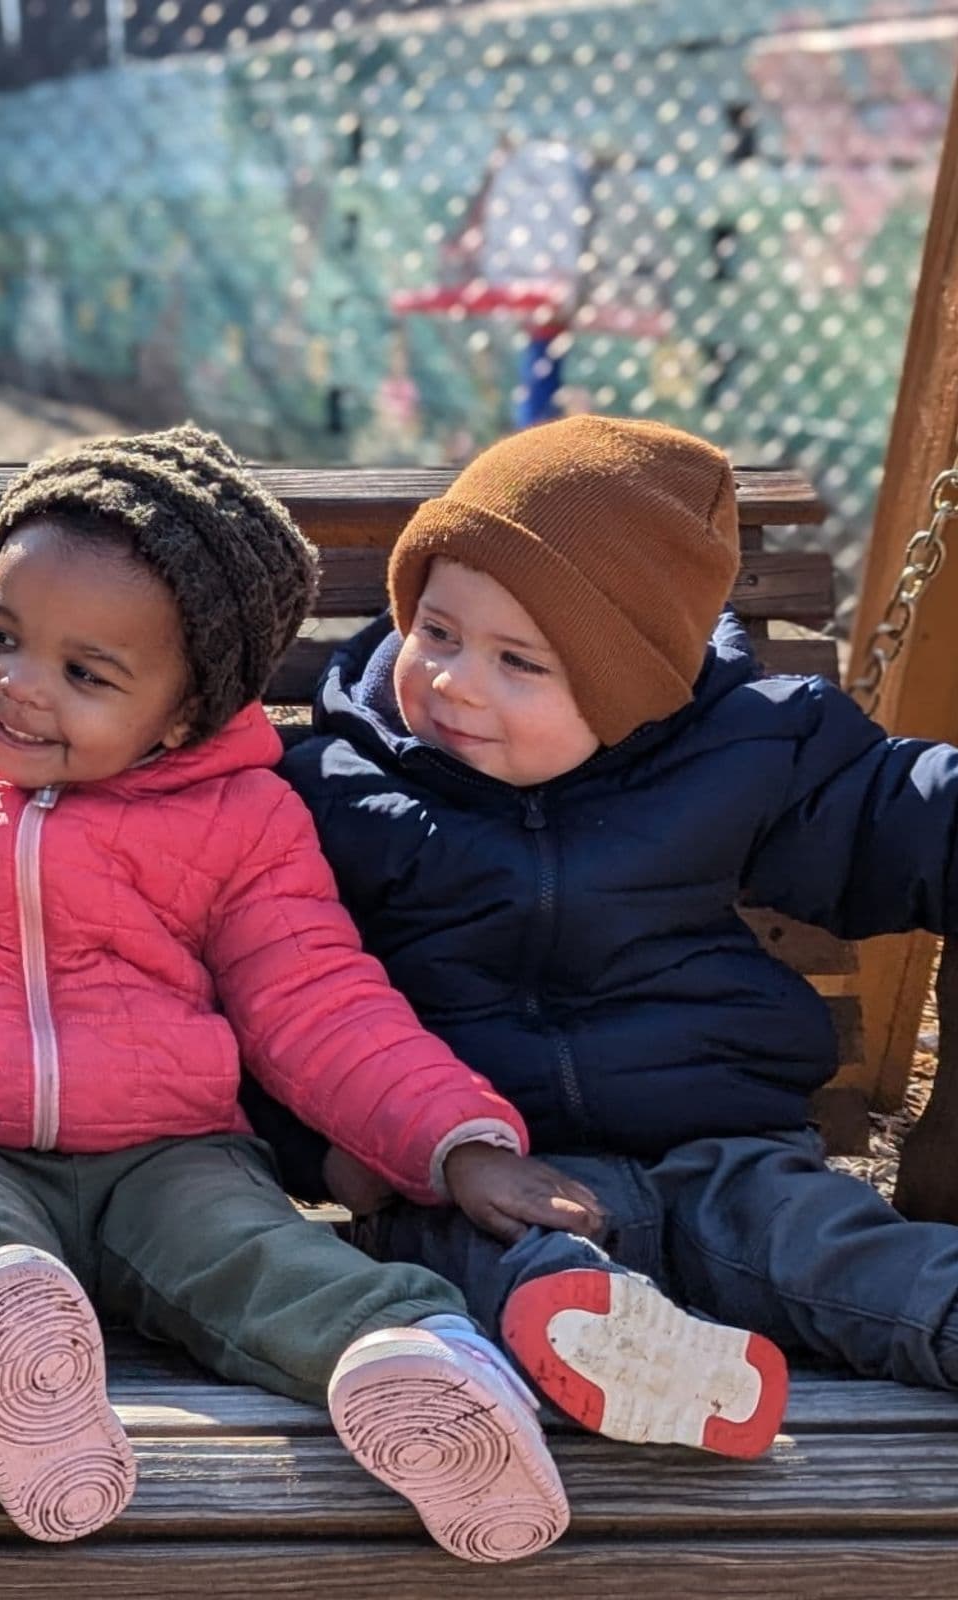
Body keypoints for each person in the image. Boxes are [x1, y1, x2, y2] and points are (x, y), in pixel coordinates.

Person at [0, 427, 589, 1563]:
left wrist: (457, 1142)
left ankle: (419, 1368)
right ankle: (28, 1383)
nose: (18, 687)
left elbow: (318, 998)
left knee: (260, 1255)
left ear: (182, 713)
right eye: (2, 634)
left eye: (86, 673)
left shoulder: (242, 820)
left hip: (170, 1151)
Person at [273, 414, 958, 1461]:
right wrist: (326, 1147)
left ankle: (938, 1318)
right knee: (474, 1263)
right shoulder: (343, 792)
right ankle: (617, 1347)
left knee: (833, 1251)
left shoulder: (744, 753)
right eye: (438, 632)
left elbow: (892, 817)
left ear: (627, 687)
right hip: (486, 1168)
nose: (455, 682)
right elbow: (269, 982)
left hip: (721, 1150)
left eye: (520, 663)